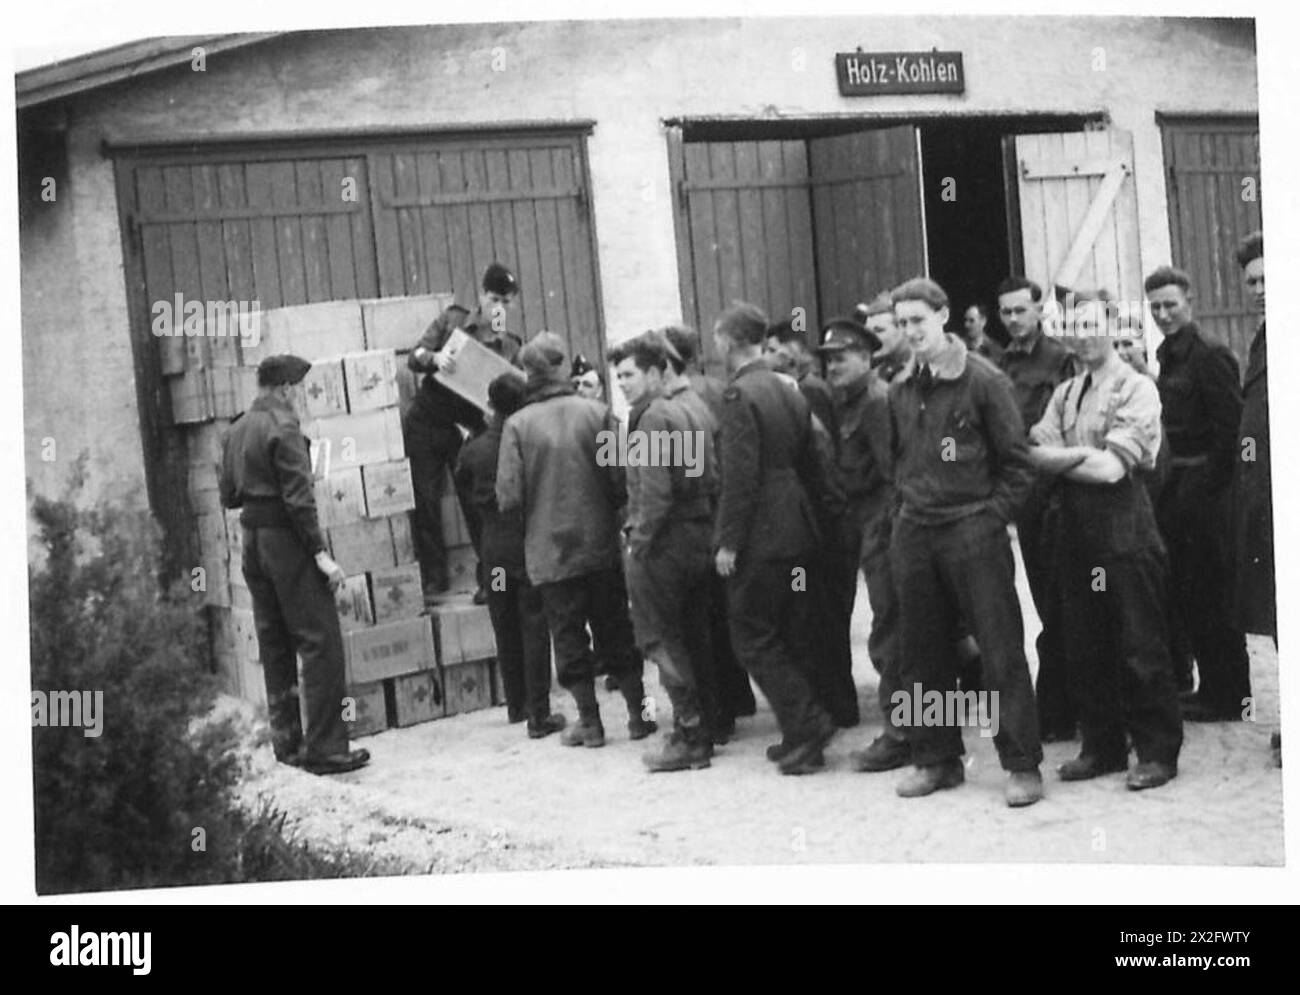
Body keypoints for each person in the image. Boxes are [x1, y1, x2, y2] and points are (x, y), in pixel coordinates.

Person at [887, 278, 1042, 807]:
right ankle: (935, 759)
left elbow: (1018, 466)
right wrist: (904, 519)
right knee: (923, 654)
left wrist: (988, 520)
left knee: (999, 652)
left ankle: (1022, 765)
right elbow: (898, 463)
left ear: (944, 315)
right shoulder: (901, 386)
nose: (911, 333)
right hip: (916, 533)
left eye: (919, 321)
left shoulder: (983, 380)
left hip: (973, 531)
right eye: (902, 323)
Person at [1028, 294, 1183, 790]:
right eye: (1074, 325)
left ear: (1111, 324)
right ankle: (1103, 747)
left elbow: (1113, 469)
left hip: (1126, 530)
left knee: (1140, 642)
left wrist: (1062, 458)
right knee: (1085, 641)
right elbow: (1033, 450)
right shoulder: (1066, 393)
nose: (1084, 334)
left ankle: (1157, 753)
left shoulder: (1137, 389)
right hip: (1075, 532)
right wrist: (1081, 456)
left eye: (1093, 323)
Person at [496, 332, 656, 747]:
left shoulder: (517, 425)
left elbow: (508, 497)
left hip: (550, 552)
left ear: (529, 373)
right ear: (564, 366)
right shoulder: (599, 413)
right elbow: (622, 480)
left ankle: (591, 723)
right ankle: (639, 716)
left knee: (568, 636)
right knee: (615, 628)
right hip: (599, 545)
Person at [218, 354, 370, 775]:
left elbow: (228, 496)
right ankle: (326, 748)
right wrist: (320, 554)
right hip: (287, 542)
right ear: (285, 388)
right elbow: (299, 500)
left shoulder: (236, 430)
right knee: (321, 643)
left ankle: (287, 745)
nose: (299, 397)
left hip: (253, 541)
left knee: (275, 643)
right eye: (297, 389)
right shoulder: (284, 427)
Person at [712, 302, 838, 775]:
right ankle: (800, 731)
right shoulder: (788, 387)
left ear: (727, 341)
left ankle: (807, 724)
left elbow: (740, 477)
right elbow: (813, 460)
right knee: (787, 629)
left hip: (762, 533)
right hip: (797, 527)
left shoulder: (737, 395)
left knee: (751, 636)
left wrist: (728, 543)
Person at [611, 332, 720, 771]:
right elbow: (707, 475)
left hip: (662, 542)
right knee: (693, 634)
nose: (622, 383)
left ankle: (690, 735)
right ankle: (705, 726)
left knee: (659, 637)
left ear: (656, 373)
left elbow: (654, 491)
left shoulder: (652, 418)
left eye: (630, 374)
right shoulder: (687, 409)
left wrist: (639, 542)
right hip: (695, 534)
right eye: (617, 376)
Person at [1147, 265, 1251, 722]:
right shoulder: (1168, 355)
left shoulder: (1209, 355)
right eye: (1155, 307)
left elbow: (1231, 433)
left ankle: (1230, 696)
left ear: (1190, 301)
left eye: (1171, 304)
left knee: (1214, 595)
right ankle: (1210, 686)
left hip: (1206, 495)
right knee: (1191, 593)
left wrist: (1204, 495)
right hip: (1178, 489)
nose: (1164, 314)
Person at [455, 373, 566, 740]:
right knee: (533, 623)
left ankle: (516, 704)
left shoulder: (472, 450)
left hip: (493, 551)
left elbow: (466, 502)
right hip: (526, 544)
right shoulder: (530, 442)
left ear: (489, 405)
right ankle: (540, 713)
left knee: (504, 623)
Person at [405, 262, 521, 605]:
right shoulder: (452, 321)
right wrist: (435, 358)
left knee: (477, 504)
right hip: (428, 420)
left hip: (469, 431)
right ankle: (435, 579)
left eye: (507, 301)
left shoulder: (511, 344)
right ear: (483, 296)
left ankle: (490, 582)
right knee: (425, 501)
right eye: (495, 298)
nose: (499, 307)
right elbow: (416, 356)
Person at [661, 324, 758, 735]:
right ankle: (738, 698)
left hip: (692, 517)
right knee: (721, 614)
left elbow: (686, 472)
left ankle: (712, 715)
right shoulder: (718, 389)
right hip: (720, 509)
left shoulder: (669, 406)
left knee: (694, 623)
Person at [997, 275, 1078, 742]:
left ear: (1038, 310)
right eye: (1005, 312)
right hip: (1025, 501)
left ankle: (1065, 709)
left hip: (1058, 496)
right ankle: (1059, 709)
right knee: (1047, 603)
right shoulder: (996, 363)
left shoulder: (1061, 360)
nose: (1012, 320)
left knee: (1068, 603)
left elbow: (1066, 430)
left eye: (1020, 311)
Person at [813, 316, 892, 729]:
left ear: (865, 357)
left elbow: (891, 473)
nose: (832, 368)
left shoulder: (877, 401)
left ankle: (903, 728)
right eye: (828, 361)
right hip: (855, 518)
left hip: (879, 519)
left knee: (888, 625)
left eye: (840, 359)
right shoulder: (845, 400)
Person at [1229, 232, 1277, 763]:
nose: (1260, 290)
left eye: (1268, 279)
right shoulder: (1264, 336)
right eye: (1252, 282)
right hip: (1264, 498)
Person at [763, 317, 838, 441]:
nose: (765, 357)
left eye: (771, 350)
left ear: (791, 353)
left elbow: (822, 439)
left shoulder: (809, 388)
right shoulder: (793, 385)